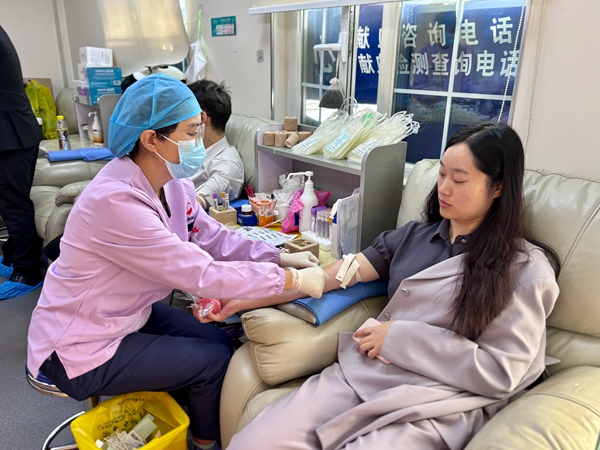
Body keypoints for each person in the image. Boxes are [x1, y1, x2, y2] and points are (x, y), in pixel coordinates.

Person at [205, 123, 561, 449]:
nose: (444, 188)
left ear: (498, 187)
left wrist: (400, 337)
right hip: (366, 372)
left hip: (439, 398)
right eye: (441, 174)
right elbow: (324, 278)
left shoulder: (524, 270)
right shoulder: (412, 238)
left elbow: (502, 370)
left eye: (459, 179)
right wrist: (245, 298)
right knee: (254, 442)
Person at [26, 73, 326, 450]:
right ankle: (204, 444)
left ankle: (181, 416)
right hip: (79, 342)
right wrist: (291, 281)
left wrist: (279, 255)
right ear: (151, 139)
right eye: (190, 133)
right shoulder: (115, 202)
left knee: (218, 341)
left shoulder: (173, 183)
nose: (198, 142)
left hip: (125, 313)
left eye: (199, 131)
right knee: (211, 362)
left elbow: (213, 237)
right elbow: (200, 272)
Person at [0, 24, 44, 299]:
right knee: (9, 201)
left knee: (13, 204)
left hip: (12, 134)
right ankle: (12, 255)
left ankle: (28, 271)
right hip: (13, 132)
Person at [187, 80, 244, 209]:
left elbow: (194, 205)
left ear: (201, 118)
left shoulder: (227, 164)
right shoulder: (189, 151)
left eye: (183, 115)